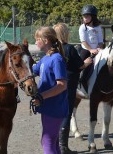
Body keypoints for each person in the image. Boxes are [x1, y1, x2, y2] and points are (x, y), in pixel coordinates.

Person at [54, 23, 93, 154]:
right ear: (65, 33)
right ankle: (63, 146)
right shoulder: (69, 48)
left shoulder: (53, 49)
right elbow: (80, 65)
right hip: (69, 84)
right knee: (67, 112)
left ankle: (57, 145)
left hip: (55, 84)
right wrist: (87, 63)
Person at [32, 26, 68, 154]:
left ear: (46, 40)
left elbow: (62, 85)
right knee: (53, 143)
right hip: (48, 107)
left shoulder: (56, 59)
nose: (35, 42)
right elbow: (32, 71)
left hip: (55, 108)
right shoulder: (45, 58)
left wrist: (42, 96)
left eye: (37, 39)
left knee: (47, 142)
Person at [78, 4, 104, 91]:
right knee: (81, 64)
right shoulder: (82, 27)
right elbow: (83, 41)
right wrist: (90, 50)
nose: (85, 18)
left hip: (97, 50)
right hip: (86, 50)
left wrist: (99, 48)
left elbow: (100, 41)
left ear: (93, 17)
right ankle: (81, 79)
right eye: (84, 16)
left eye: (87, 16)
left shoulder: (98, 27)